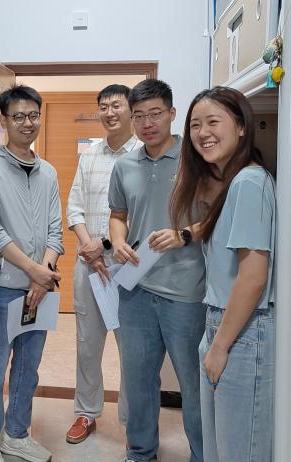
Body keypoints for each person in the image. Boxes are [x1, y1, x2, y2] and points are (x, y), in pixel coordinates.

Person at [170, 86, 275, 462]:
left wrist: (219, 346)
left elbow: (253, 277)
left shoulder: (249, 182)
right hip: (222, 324)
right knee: (218, 449)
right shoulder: (234, 183)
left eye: (213, 122)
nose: (203, 133)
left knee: (238, 451)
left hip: (242, 330)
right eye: (195, 125)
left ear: (242, 126)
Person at [108, 79, 206, 462]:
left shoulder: (196, 158)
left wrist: (185, 235)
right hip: (135, 288)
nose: (147, 123)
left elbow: (218, 215)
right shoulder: (124, 165)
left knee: (193, 384)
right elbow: (118, 214)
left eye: (155, 114)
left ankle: (203, 454)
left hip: (185, 292)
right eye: (139, 116)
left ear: (171, 113)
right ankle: (141, 451)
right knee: (138, 380)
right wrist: (117, 240)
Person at [0, 84, 63, 462]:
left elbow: (56, 231)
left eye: (33, 115)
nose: (27, 123)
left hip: (41, 289)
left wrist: (44, 274)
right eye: (19, 116)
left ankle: (16, 433)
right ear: (4, 120)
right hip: (4, 287)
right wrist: (34, 272)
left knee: (29, 368)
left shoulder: (49, 172)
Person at [65, 84, 142, 444]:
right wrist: (88, 247)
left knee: (133, 348)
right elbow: (74, 207)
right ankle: (86, 412)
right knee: (87, 344)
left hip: (130, 267)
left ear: (131, 109)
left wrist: (106, 245)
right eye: (104, 107)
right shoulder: (90, 155)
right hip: (89, 267)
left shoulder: (144, 154)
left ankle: (132, 420)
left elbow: (144, 215)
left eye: (116, 105)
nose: (109, 113)